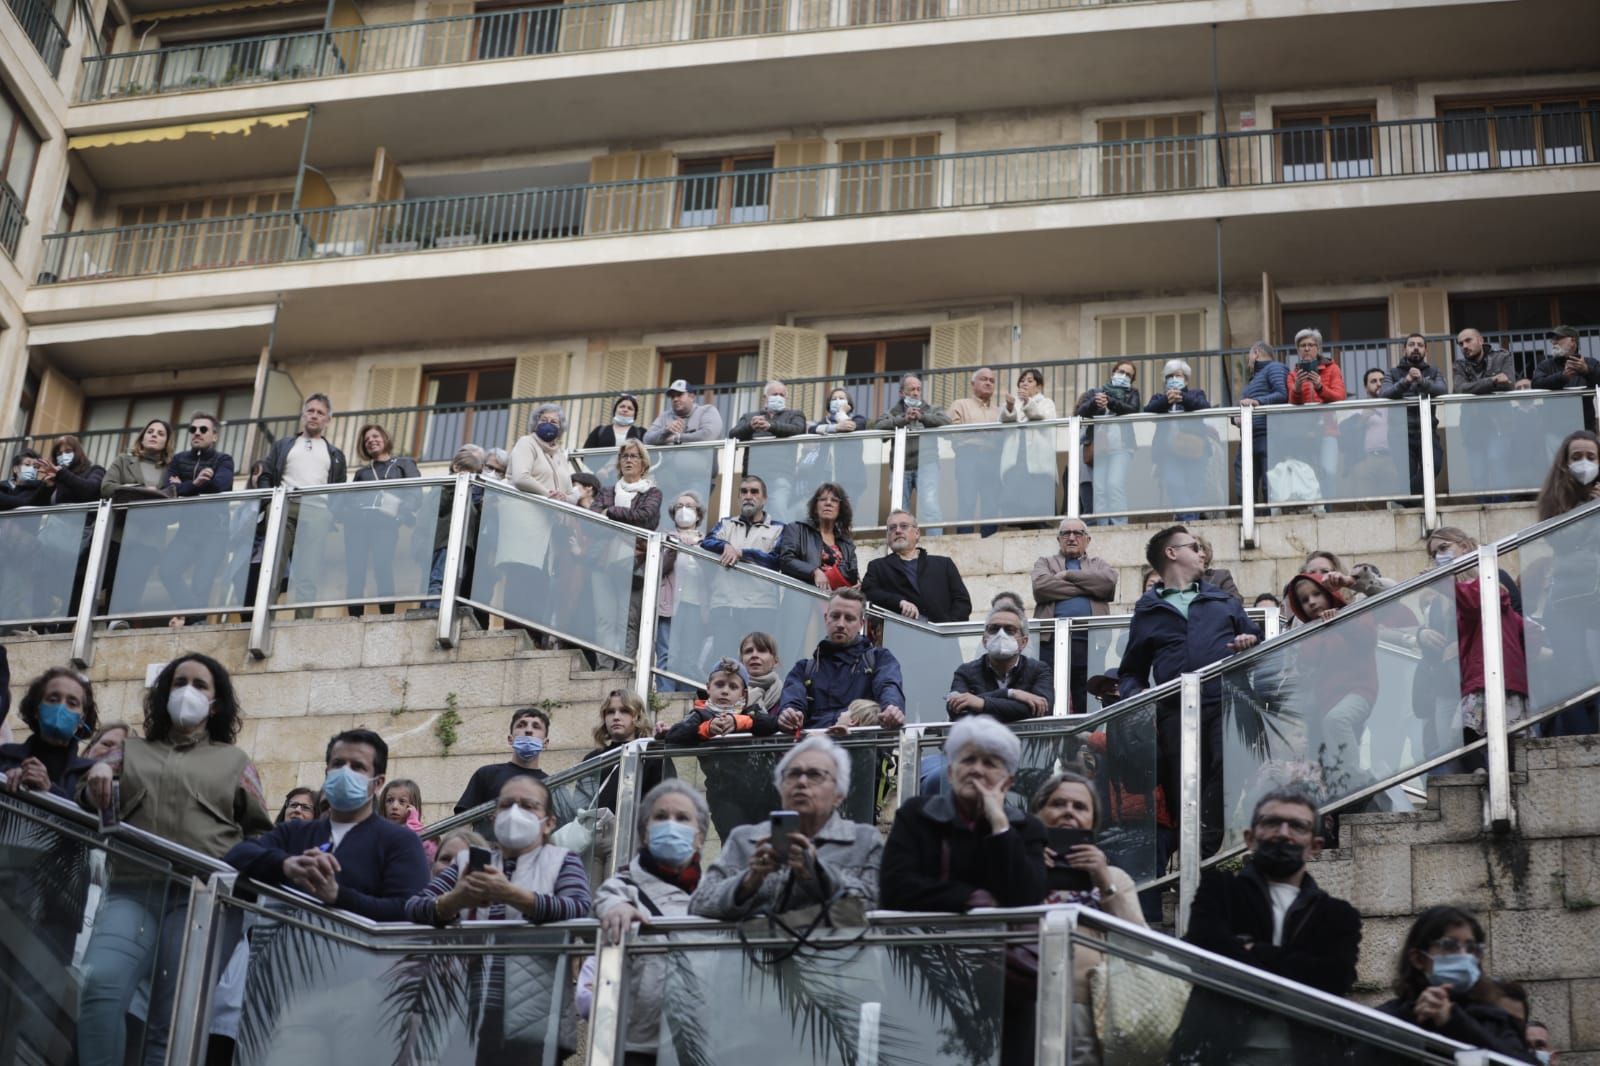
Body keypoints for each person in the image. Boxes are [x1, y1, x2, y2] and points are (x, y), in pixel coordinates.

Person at [78, 652, 272, 1066]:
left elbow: (259, 834)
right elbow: (83, 799)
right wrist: (93, 778)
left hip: (201, 902)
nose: (188, 691)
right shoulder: (131, 751)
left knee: (173, 1022)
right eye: (179, 682)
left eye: (200, 685)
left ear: (215, 704)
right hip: (132, 891)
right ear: (164, 694)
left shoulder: (236, 763)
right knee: (98, 988)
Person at [881, 715, 1047, 1066]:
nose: (977, 770)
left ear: (1008, 780)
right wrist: (971, 899)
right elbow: (895, 889)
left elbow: (1027, 898)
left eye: (990, 763)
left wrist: (1000, 826)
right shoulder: (916, 815)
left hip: (1005, 980)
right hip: (923, 971)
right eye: (968, 760)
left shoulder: (1026, 829)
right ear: (951, 770)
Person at [405, 775, 589, 1064]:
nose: (515, 813)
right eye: (507, 805)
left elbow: (578, 908)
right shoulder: (469, 863)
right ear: (493, 817)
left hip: (533, 1020)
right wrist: (456, 899)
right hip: (463, 1014)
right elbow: (415, 907)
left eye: (528, 806)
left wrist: (511, 894)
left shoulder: (563, 861)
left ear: (549, 822)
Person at [1172, 789, 1362, 1065]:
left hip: (1310, 1055)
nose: (1283, 833)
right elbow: (1205, 950)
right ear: (1250, 837)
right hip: (1215, 1052)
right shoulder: (1220, 890)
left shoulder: (1337, 915)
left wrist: (1254, 951)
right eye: (1272, 823)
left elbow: (1334, 978)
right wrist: (1295, 965)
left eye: (1297, 826)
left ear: (1315, 845)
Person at [1119, 525, 1261, 857]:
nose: (1202, 553)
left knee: (1226, 768)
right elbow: (1131, 671)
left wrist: (1248, 642)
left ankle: (1203, 852)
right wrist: (1135, 695)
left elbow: (1256, 640)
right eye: (1194, 547)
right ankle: (1194, 859)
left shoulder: (1222, 600)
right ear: (1172, 553)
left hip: (1226, 701)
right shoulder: (1147, 610)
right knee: (1181, 786)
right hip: (1175, 711)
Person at [225, 729, 429, 921]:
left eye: (357, 767)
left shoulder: (402, 841)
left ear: (377, 782)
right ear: (327, 771)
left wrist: (338, 896)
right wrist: (286, 864)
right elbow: (238, 855)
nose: (345, 773)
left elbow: (407, 910)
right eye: (338, 764)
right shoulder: (294, 831)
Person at [690, 734, 882, 917]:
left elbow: (877, 907)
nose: (802, 782)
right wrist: (747, 883)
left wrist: (819, 875)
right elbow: (699, 904)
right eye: (793, 774)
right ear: (780, 789)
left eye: (815, 774)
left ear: (839, 795)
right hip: (758, 950)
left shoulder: (864, 840)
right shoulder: (744, 840)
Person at [1029, 770, 1147, 1065]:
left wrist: (1103, 881)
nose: (1069, 811)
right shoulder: (1018, 867)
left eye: (1080, 807)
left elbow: (1142, 946)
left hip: (1094, 1010)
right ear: (1038, 813)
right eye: (1058, 803)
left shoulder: (1115, 878)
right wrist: (1026, 869)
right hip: (1023, 1002)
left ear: (1093, 822)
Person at [589, 779, 709, 1062]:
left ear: (700, 837)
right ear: (644, 833)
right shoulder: (622, 886)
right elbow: (605, 898)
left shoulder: (713, 893)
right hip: (639, 1044)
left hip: (702, 1039)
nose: (670, 824)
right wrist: (617, 907)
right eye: (660, 817)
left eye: (682, 818)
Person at [1378, 906, 1535, 1060]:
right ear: (1418, 959)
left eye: (1472, 948)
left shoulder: (1494, 1020)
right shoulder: (1387, 1019)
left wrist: (1454, 1022)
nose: (1464, 955)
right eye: (1449, 945)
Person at [259, 394, 348, 619]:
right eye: (310, 411)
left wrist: (331, 514)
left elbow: (339, 488)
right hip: (283, 506)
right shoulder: (284, 445)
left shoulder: (335, 454)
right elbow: (266, 474)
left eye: (320, 413)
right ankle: (264, 618)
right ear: (303, 415)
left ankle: (302, 621)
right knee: (273, 567)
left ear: (327, 420)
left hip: (317, 510)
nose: (314, 416)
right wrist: (270, 502)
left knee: (308, 570)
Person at [777, 588, 906, 730]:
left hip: (861, 745)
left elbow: (888, 685)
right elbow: (793, 700)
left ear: (861, 624)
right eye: (835, 616)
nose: (840, 624)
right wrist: (789, 712)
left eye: (849, 618)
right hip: (816, 748)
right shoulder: (803, 669)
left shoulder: (880, 659)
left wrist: (892, 707)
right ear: (826, 618)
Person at [497, 403, 575, 623]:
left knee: (540, 583)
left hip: (548, 529)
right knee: (521, 577)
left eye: (554, 422)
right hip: (524, 522)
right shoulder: (526, 443)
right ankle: (513, 634)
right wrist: (549, 494)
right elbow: (521, 477)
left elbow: (568, 491)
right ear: (535, 423)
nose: (548, 425)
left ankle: (532, 638)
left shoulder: (560, 455)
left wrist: (565, 498)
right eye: (544, 420)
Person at [1031, 517, 1116, 713]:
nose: (1071, 537)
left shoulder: (1098, 563)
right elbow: (1041, 587)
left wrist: (1068, 576)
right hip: (1050, 641)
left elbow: (1107, 585)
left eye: (1077, 533)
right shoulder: (1045, 562)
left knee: (1087, 697)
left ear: (1087, 539)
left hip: (1091, 641)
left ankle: (1087, 738)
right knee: (1048, 693)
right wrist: (1090, 588)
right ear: (1058, 539)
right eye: (1065, 533)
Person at [343, 423, 420, 617]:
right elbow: (352, 500)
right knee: (355, 570)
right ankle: (354, 617)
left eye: (375, 436)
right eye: (367, 439)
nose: (371, 441)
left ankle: (386, 616)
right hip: (360, 524)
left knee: (382, 566)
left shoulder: (403, 464)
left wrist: (401, 517)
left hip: (386, 523)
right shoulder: (362, 473)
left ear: (385, 438)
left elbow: (415, 493)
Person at [1, 666, 98, 797]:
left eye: (72, 703)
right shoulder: (5, 755)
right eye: (53, 700)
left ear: (82, 719)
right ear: (36, 710)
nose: (61, 707)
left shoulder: (88, 774)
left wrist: (50, 790)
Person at [946, 605, 1054, 723]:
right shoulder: (965, 671)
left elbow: (1042, 710)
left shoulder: (1039, 670)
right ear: (984, 640)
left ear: (1024, 642)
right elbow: (956, 710)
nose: (1001, 634)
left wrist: (981, 703)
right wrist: (1010, 694)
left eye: (1010, 630)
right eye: (994, 629)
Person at [861, 509, 972, 622]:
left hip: (943, 635)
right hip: (902, 635)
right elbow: (868, 594)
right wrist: (899, 602)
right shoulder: (878, 567)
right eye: (892, 528)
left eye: (903, 526)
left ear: (917, 533)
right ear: (888, 536)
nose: (898, 530)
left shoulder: (944, 564)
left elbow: (962, 602)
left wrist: (947, 629)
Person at [1143, 358, 1215, 519]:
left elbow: (1205, 408)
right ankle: (1189, 521)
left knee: (1195, 487)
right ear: (1165, 380)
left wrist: (1183, 398)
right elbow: (1148, 411)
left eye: (1179, 375)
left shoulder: (1196, 394)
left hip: (1195, 449)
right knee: (1174, 485)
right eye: (1170, 376)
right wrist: (1167, 401)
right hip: (1168, 453)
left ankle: (1190, 522)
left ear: (1186, 379)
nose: (1174, 379)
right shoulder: (1158, 397)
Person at [1379, 333, 1447, 496]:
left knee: (1434, 466)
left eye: (1420, 345)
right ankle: (1412, 504)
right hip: (1400, 434)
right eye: (1411, 344)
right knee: (1406, 474)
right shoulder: (1393, 372)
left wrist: (1422, 381)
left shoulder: (1434, 371)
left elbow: (1442, 390)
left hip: (1428, 432)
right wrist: (1407, 380)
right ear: (1404, 350)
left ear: (1425, 351)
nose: (1415, 347)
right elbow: (1384, 393)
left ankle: (1404, 499)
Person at [875, 373, 950, 517]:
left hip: (927, 462)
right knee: (900, 511)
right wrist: (903, 419)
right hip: (900, 466)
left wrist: (922, 417)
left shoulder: (931, 409)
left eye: (918, 389)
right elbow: (878, 428)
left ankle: (936, 540)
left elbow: (947, 422)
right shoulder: (893, 412)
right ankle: (902, 539)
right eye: (911, 389)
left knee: (930, 505)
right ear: (902, 393)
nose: (916, 393)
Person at [424, 443, 485, 614]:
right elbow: (438, 507)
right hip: (445, 542)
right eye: (468, 472)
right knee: (438, 580)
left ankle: (448, 613)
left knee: (457, 582)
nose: (471, 477)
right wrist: (453, 485)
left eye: (474, 474)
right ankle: (432, 613)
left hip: (464, 545)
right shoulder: (444, 485)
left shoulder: (471, 493)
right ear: (456, 467)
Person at [1286, 329, 1347, 500]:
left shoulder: (1332, 368)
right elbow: (1292, 402)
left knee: (1328, 470)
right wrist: (1297, 387)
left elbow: (1339, 397)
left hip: (1328, 431)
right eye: (1302, 346)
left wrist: (1320, 386)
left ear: (1318, 348)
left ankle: (1328, 510)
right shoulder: (1293, 374)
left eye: (1311, 345)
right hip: (1303, 433)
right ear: (1298, 350)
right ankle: (1312, 507)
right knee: (1306, 472)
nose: (1306, 349)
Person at [454, 708, 550, 814]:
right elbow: (462, 821)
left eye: (536, 726)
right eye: (521, 725)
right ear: (510, 739)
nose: (528, 730)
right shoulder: (487, 774)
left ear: (545, 743)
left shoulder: (551, 785)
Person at [664, 658, 780, 745]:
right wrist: (706, 729)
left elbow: (775, 723)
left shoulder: (751, 712)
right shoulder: (700, 715)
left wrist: (740, 722)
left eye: (733, 687)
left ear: (743, 694)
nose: (725, 691)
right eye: (719, 685)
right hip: (716, 778)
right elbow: (673, 736)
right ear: (708, 688)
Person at [582, 689, 662, 812]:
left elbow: (663, 802)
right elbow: (580, 807)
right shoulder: (592, 759)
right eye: (610, 712)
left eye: (625, 711)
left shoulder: (651, 754)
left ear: (637, 716)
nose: (616, 717)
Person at [655, 490, 705, 687]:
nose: (684, 510)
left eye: (689, 506)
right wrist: (674, 549)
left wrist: (696, 549)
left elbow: (709, 576)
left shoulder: (707, 541)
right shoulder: (663, 538)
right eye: (679, 506)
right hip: (668, 606)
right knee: (667, 654)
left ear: (699, 514)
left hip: (695, 605)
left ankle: (685, 699)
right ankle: (665, 698)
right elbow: (659, 570)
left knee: (689, 657)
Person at [948, 366, 1004, 535]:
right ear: (973, 384)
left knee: (991, 503)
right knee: (967, 501)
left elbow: (1004, 438)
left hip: (993, 458)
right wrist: (985, 436)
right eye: (984, 379)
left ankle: (990, 542)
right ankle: (965, 541)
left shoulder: (1000, 411)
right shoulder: (960, 404)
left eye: (992, 381)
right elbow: (953, 433)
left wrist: (973, 434)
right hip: (968, 457)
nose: (988, 383)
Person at [776, 482, 858, 591]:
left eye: (834, 500)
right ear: (815, 507)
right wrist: (814, 572)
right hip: (805, 600)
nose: (828, 503)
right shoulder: (796, 529)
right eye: (823, 499)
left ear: (840, 509)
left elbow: (853, 574)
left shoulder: (847, 543)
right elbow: (786, 560)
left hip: (836, 604)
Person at [1237, 342, 1290, 504]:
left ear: (1256, 353)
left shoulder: (1275, 368)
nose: (1248, 363)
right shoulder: (1252, 382)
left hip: (1269, 434)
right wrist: (1235, 418)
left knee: (1270, 484)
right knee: (1243, 484)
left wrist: (1257, 401)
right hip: (1248, 437)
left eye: (1249, 357)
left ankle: (1270, 520)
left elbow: (1283, 394)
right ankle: (1248, 519)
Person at [702, 474, 784, 570]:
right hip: (722, 585)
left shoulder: (778, 529)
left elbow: (776, 561)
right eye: (744, 492)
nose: (748, 496)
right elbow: (707, 542)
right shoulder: (726, 523)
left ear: (764, 499)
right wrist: (725, 546)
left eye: (754, 492)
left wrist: (742, 553)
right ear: (738, 499)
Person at [592, 438, 661, 530]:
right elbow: (593, 520)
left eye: (633, 456)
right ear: (619, 465)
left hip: (638, 543)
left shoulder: (653, 493)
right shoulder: (606, 492)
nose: (628, 460)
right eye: (624, 456)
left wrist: (610, 511)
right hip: (606, 542)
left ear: (643, 465)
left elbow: (643, 517)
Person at [1535, 428, 1600, 519]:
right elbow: (1560, 532)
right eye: (1576, 458)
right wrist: (1590, 508)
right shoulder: (1555, 497)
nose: (1584, 463)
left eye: (1591, 458)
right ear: (1565, 461)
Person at [643, 379, 724, 445]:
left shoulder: (707, 410)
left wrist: (677, 438)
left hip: (702, 463)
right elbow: (646, 439)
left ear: (691, 397)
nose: (675, 399)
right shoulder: (665, 416)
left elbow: (708, 435)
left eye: (679, 394)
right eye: (672, 396)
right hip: (669, 464)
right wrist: (665, 431)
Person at [730, 380, 808, 441]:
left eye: (781, 395)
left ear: (785, 398)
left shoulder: (794, 414)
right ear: (765, 397)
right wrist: (750, 426)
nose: (778, 397)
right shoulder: (749, 417)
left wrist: (770, 426)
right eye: (774, 394)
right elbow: (732, 435)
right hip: (753, 459)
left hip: (784, 460)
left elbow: (799, 430)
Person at [1531, 325, 1600, 391]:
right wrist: (1562, 377)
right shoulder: (1545, 365)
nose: (1553, 342)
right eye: (1553, 339)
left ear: (1572, 341)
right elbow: (1535, 385)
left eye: (1558, 338)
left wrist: (1587, 371)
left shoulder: (1591, 363)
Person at [1197, 534, 1243, 603]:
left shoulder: (1220, 576)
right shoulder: (1178, 580)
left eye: (1198, 549)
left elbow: (1235, 600)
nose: (1201, 555)